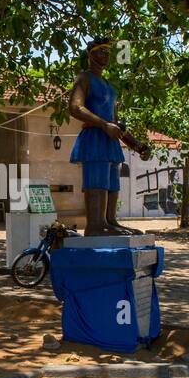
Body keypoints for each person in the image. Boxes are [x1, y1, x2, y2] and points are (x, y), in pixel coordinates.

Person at [67, 38, 150, 235]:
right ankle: (96, 225)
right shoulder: (84, 78)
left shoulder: (110, 86)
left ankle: (110, 222)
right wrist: (103, 125)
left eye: (108, 51)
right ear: (90, 54)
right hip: (95, 139)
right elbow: (75, 107)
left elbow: (117, 123)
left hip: (110, 142)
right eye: (101, 50)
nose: (106, 54)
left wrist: (137, 145)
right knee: (97, 181)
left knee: (112, 183)